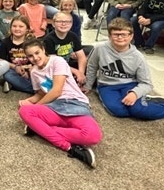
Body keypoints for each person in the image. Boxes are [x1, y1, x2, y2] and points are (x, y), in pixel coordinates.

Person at [18, 38, 102, 168]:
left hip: (74, 103)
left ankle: (41, 130)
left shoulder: (57, 61)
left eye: (37, 53)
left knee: (93, 136)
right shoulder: (34, 72)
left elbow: (56, 91)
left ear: (44, 50)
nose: (35, 58)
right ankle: (70, 148)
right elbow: (42, 93)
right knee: (24, 111)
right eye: (30, 56)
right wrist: (28, 101)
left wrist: (36, 106)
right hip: (53, 107)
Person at [84, 17, 164, 122]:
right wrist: (88, 85)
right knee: (118, 111)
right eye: (116, 34)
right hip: (107, 86)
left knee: (138, 110)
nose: (120, 37)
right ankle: (145, 100)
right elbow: (92, 67)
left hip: (130, 85)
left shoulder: (138, 57)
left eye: (124, 34)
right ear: (109, 36)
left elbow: (147, 83)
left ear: (131, 36)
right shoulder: (99, 48)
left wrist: (134, 93)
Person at [43, 12, 87, 86]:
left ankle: (76, 80)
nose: (63, 24)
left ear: (71, 24)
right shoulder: (48, 39)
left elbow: (82, 57)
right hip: (55, 67)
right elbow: (54, 63)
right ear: (53, 24)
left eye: (67, 22)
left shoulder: (73, 36)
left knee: (88, 63)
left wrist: (81, 73)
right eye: (59, 21)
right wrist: (76, 72)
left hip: (68, 64)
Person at [0, 15, 34, 94]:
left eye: (21, 26)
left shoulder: (32, 42)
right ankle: (34, 90)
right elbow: (1, 60)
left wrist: (28, 72)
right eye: (14, 26)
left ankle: (13, 84)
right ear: (11, 28)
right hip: (13, 69)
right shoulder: (6, 42)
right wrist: (15, 67)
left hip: (31, 69)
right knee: (7, 75)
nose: (17, 29)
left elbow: (38, 59)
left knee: (38, 73)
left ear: (27, 29)